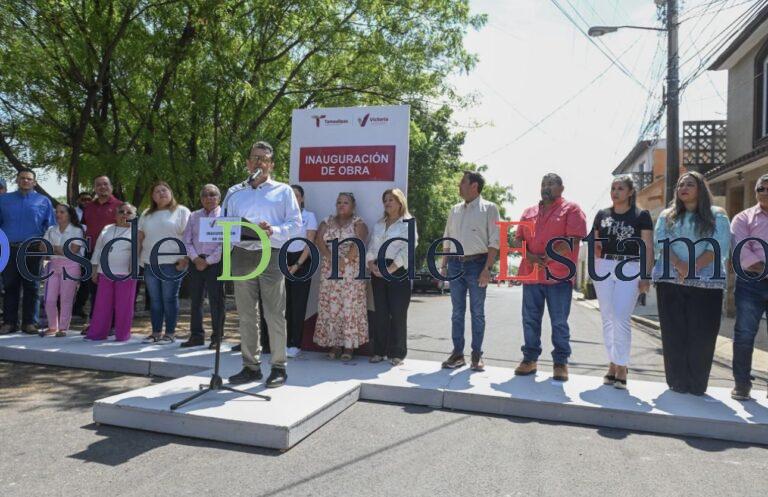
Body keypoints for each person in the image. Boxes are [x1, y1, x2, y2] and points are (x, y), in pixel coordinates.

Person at [223, 141, 301, 388]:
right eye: (255, 158)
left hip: (271, 254)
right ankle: (250, 367)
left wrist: (273, 230)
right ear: (247, 162)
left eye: (264, 159)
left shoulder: (283, 191)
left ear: (271, 164)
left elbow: (296, 224)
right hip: (242, 254)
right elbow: (224, 224)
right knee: (246, 315)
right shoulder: (235, 191)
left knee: (274, 314)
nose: (259, 162)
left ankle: (278, 367)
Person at [652, 171, 730, 396]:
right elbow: (661, 242)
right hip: (671, 281)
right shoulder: (668, 215)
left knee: (702, 335)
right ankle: (677, 382)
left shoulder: (717, 215)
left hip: (707, 284)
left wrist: (692, 267)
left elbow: (720, 245)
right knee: (673, 332)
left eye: (689, 184)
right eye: (680, 185)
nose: (683, 188)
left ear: (701, 189)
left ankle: (697, 385)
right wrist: (679, 265)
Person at [513, 173, 587, 382]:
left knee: (559, 322)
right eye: (544, 183)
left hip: (559, 276)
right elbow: (518, 239)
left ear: (561, 188)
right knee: (530, 320)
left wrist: (548, 256)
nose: (547, 187)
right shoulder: (529, 212)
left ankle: (560, 363)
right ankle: (530, 359)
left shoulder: (571, 209)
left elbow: (573, 239)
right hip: (531, 274)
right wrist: (530, 256)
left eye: (551, 184)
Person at [590, 175, 654, 389]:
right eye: (613, 188)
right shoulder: (602, 214)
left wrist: (646, 275)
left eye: (620, 188)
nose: (615, 192)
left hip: (630, 266)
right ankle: (613, 363)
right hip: (605, 265)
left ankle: (622, 366)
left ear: (629, 192)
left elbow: (647, 246)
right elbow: (595, 242)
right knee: (607, 317)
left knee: (620, 317)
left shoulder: (641, 215)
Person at [440, 171, 500, 371]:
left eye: (462, 183)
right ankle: (457, 354)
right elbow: (447, 238)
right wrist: (443, 265)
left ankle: (476, 355)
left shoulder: (489, 209)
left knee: (477, 312)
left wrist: (487, 269)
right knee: (457, 312)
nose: (459, 186)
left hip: (477, 265)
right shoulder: (454, 210)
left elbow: (494, 242)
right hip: (455, 265)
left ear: (474, 185)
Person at [314, 192, 369, 361]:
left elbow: (359, 243)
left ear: (353, 206)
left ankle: (349, 346)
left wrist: (344, 261)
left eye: (345, 202)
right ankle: (334, 344)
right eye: (339, 202)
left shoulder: (358, 223)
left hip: (351, 271)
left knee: (349, 307)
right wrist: (331, 258)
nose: (341, 205)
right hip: (330, 269)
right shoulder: (327, 221)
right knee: (331, 306)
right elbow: (319, 241)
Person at [0, 168, 56, 334]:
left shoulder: (43, 201)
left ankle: (30, 323)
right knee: (10, 286)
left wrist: (46, 244)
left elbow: (50, 227)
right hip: (9, 248)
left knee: (32, 286)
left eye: (29, 179)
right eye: (22, 178)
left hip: (33, 249)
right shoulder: (4, 200)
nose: (25, 181)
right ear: (17, 181)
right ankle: (9, 322)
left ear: (34, 182)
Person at [367, 188, 417, 366]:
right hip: (378, 270)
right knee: (380, 313)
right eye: (385, 200)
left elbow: (408, 248)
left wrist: (392, 268)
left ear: (400, 202)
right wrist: (371, 264)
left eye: (391, 200)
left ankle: (397, 353)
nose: (387, 203)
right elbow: (372, 246)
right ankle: (379, 352)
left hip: (399, 271)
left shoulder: (408, 223)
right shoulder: (379, 224)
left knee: (397, 313)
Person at [729, 173, 768, 401]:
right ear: (755, 192)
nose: (765, 192)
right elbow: (743, 253)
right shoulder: (743, 219)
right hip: (751, 283)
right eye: (761, 188)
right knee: (744, 334)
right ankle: (742, 384)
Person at [137, 181, 191, 344]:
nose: (161, 193)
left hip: (173, 263)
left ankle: (170, 333)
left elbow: (189, 237)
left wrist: (186, 259)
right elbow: (140, 238)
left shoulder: (181, 211)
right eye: (157, 191)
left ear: (171, 192)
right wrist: (136, 260)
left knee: (169, 298)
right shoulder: (146, 213)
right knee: (155, 299)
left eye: (164, 190)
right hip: (150, 263)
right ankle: (155, 332)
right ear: (152, 196)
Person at [180, 184, 225, 349]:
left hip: (216, 264)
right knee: (196, 301)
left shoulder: (226, 215)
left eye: (213, 194)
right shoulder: (194, 216)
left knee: (217, 302)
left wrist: (209, 260)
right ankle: (196, 336)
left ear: (219, 198)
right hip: (195, 262)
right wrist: (195, 258)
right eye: (205, 195)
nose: (209, 198)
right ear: (201, 199)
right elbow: (187, 240)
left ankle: (217, 338)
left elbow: (227, 242)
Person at [86, 203, 139, 341]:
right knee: (102, 305)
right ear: (116, 215)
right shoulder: (107, 228)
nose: (125, 214)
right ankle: (97, 334)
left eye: (129, 212)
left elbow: (140, 251)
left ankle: (122, 335)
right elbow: (98, 249)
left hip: (126, 273)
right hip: (105, 272)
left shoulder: (138, 231)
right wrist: (94, 269)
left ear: (135, 216)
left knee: (124, 306)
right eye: (121, 212)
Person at [77, 177, 122, 320]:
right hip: (91, 254)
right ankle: (96, 322)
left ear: (111, 187)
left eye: (105, 184)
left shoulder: (121, 206)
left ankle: (113, 323)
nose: (102, 187)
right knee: (94, 290)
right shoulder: (88, 207)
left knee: (113, 291)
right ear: (95, 188)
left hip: (114, 254)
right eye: (98, 185)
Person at [284, 185, 318, 358]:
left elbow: (310, 243)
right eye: (291, 196)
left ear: (302, 198)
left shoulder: (309, 216)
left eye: (296, 195)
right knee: (284, 305)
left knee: (298, 305)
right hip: (283, 260)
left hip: (302, 261)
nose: (294, 199)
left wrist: (296, 266)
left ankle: (295, 344)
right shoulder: (282, 216)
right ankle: (283, 341)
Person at [41, 204, 85, 337]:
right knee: (49, 299)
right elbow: (42, 247)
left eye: (62, 212)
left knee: (66, 298)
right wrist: (59, 249)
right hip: (52, 265)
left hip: (71, 266)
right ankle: (52, 326)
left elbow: (73, 250)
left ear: (70, 214)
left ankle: (63, 327)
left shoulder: (77, 230)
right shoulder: (50, 230)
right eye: (57, 212)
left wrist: (52, 248)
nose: (58, 214)